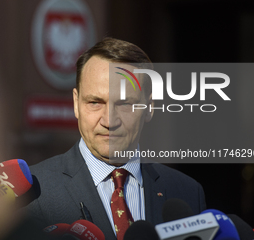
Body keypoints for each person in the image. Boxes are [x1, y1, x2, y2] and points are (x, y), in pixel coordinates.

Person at [25, 37, 206, 239]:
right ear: (76, 103)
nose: (109, 121)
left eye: (124, 104)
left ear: (149, 107)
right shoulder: (35, 194)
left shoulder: (187, 192)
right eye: (95, 102)